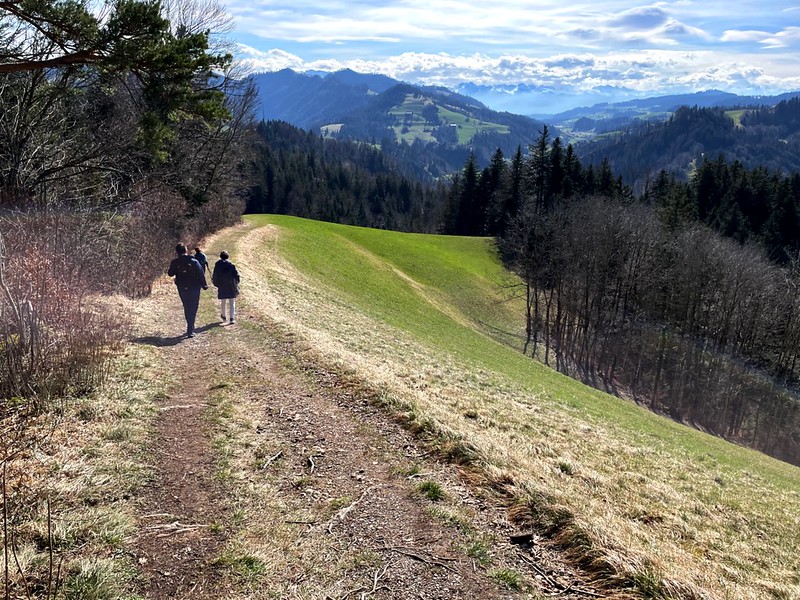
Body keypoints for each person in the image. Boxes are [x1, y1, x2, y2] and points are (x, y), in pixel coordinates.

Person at [167, 243, 208, 338]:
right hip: (194, 286)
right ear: (186, 250)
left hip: (182, 287)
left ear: (177, 252)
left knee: (186, 305)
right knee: (194, 306)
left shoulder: (175, 262)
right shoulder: (194, 261)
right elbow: (200, 273)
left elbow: (170, 273)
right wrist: (204, 285)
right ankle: (190, 328)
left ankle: (189, 325)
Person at [212, 250, 240, 324]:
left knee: (223, 302)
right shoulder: (231, 264)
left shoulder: (217, 264)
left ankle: (224, 316)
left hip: (222, 285)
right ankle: (232, 318)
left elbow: (215, 275)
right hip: (231, 285)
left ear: (220, 256)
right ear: (228, 256)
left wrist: (216, 283)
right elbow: (236, 275)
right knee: (232, 302)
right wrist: (236, 283)